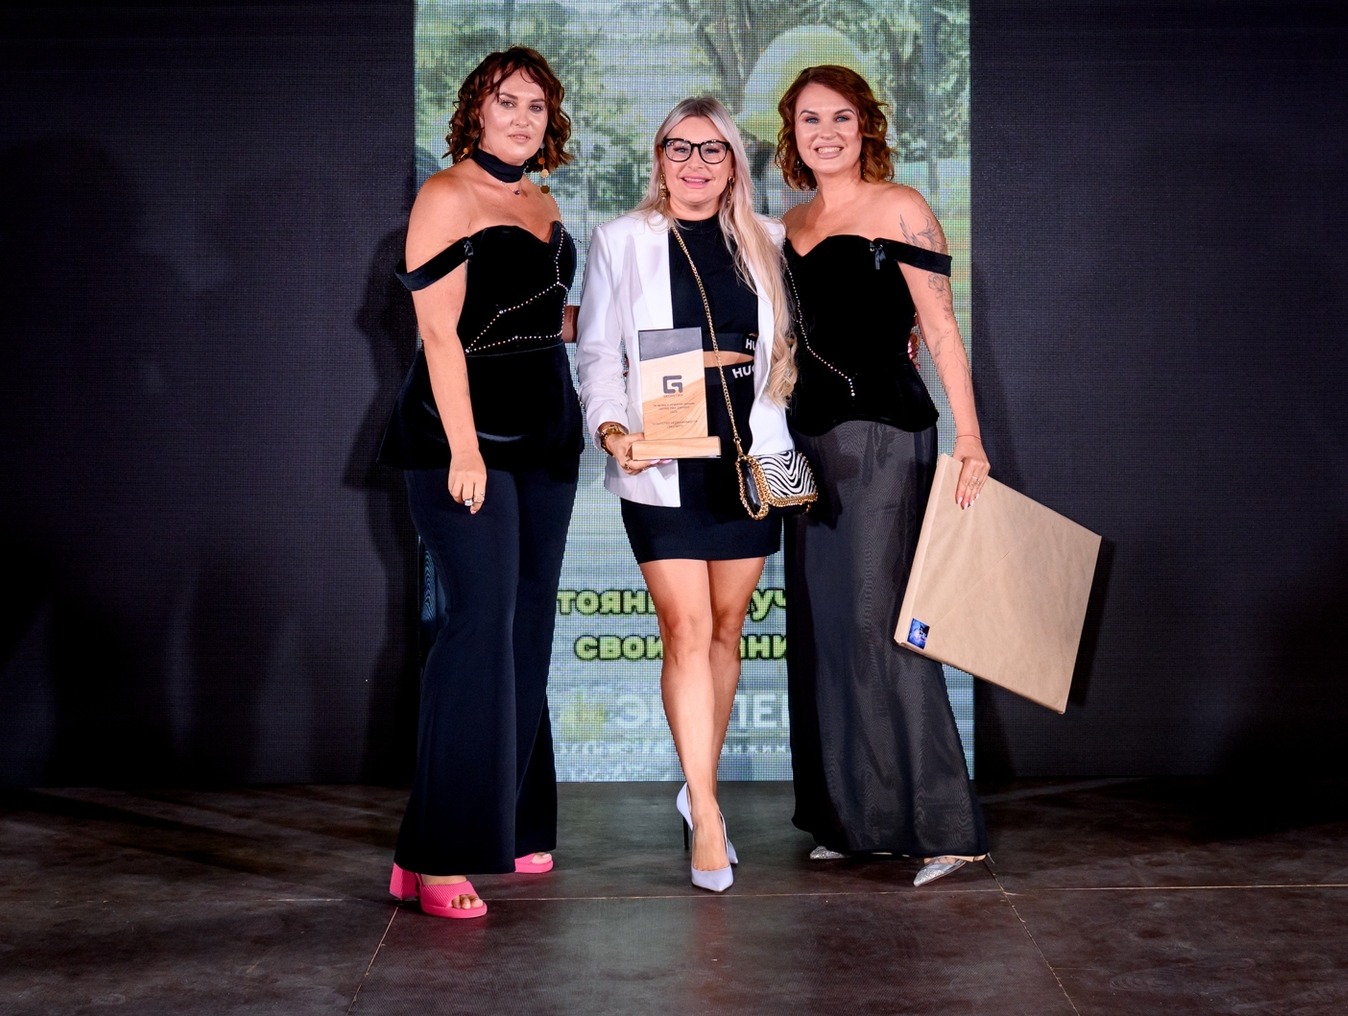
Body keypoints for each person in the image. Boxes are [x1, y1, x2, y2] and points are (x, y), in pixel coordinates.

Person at [377, 47, 583, 919]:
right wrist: (465, 449)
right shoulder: (446, 194)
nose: (523, 117)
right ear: (476, 109)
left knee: (528, 629)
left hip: (547, 436)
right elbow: (439, 334)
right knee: (477, 630)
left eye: (537, 105)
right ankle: (435, 856)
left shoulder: (542, 200)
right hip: (464, 442)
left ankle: (512, 822)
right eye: (507, 101)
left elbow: (544, 320)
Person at [776, 64, 991, 886]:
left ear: (865, 124)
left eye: (840, 117)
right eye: (809, 120)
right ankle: (854, 820)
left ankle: (946, 827)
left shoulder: (902, 206)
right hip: (810, 447)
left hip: (886, 438)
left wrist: (972, 439)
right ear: (791, 134)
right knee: (825, 629)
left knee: (882, 622)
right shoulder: (789, 222)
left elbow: (940, 330)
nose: (825, 132)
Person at [576, 97, 797, 893]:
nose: (695, 163)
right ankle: (706, 812)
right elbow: (597, 356)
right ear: (659, 156)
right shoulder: (620, 240)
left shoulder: (770, 239)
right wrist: (613, 432)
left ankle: (695, 781)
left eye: (712, 150)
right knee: (686, 627)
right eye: (680, 147)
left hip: (749, 457)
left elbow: (796, 341)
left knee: (727, 629)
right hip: (660, 457)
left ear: (733, 162)